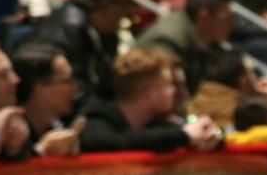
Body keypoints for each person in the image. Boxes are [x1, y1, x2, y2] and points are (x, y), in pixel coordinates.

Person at [79, 47, 221, 153]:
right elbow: (115, 142)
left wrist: (208, 136)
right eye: (169, 84)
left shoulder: (159, 123)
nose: (173, 91)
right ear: (150, 93)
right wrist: (184, 135)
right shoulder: (97, 119)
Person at [27, 0, 132, 107]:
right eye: (123, 4)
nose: (127, 12)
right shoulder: (66, 35)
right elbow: (76, 94)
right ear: (104, 7)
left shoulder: (98, 31)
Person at [136, 0, 234, 95]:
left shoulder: (205, 41)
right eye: (226, 16)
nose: (232, 24)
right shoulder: (170, 40)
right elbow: (161, 93)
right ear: (204, 15)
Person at [12, 42, 82, 156]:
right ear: (40, 87)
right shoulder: (10, 135)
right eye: (66, 82)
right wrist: (41, 150)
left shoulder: (58, 127)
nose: (74, 89)